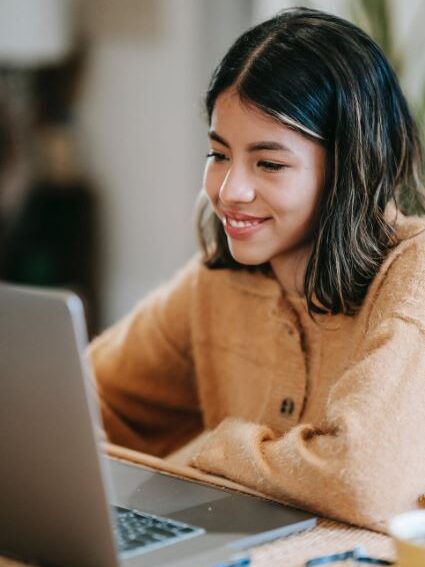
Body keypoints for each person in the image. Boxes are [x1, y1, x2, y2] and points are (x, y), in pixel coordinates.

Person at [89, 7, 425, 532]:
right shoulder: (219, 281)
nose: (229, 191)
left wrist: (217, 446)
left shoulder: (414, 275)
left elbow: (360, 479)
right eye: (218, 154)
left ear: (350, 167)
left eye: (268, 163)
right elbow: (90, 395)